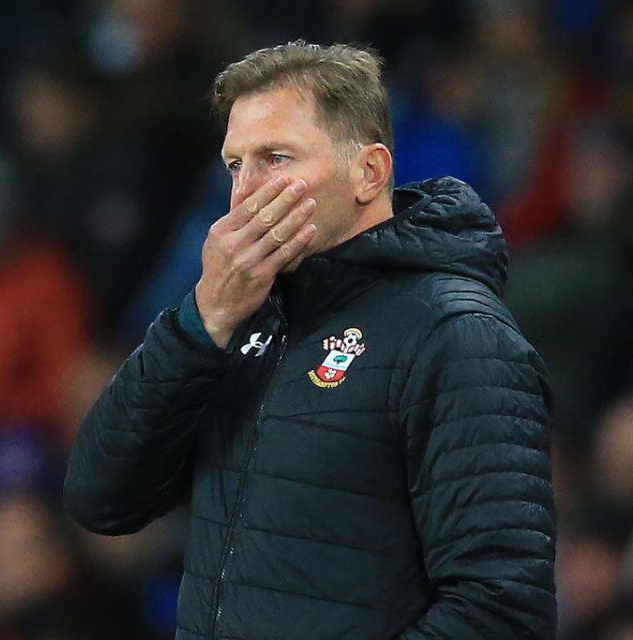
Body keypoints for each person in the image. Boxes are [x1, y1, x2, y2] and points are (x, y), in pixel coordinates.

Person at [64, 41, 556, 639]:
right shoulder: (237, 319)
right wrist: (201, 321)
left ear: (368, 172)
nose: (245, 192)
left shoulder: (456, 334)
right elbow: (102, 497)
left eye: (276, 157)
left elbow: (501, 609)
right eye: (235, 165)